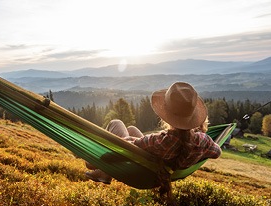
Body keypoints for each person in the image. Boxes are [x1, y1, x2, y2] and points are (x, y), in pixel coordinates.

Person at [85, 82, 222, 195]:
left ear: (166, 115)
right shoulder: (203, 141)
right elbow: (217, 152)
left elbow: (127, 146)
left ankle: (105, 172)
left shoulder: (160, 141)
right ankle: (104, 172)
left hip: (145, 170)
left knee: (116, 123)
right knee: (132, 128)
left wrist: (97, 157)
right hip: (162, 170)